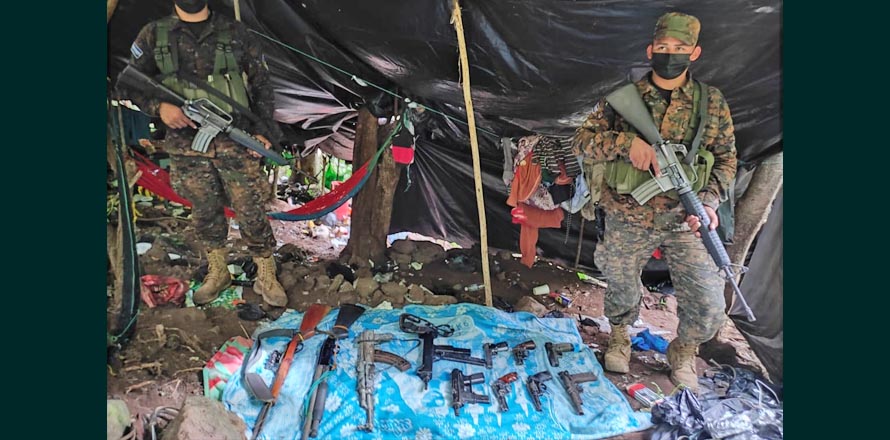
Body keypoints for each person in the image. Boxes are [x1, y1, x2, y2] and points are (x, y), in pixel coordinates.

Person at [573, 12, 737, 392]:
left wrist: (709, 202)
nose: (670, 54)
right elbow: (582, 141)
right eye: (663, 47)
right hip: (628, 212)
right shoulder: (623, 99)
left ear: (694, 53)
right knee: (619, 283)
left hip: (685, 218)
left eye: (679, 48)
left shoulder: (710, 103)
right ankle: (619, 337)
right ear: (650, 50)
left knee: (709, 301)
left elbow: (727, 159)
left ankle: (683, 350)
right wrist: (625, 143)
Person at [122, 0, 288, 307]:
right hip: (187, 147)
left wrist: (264, 132)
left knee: (251, 209)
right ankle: (218, 270)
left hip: (236, 141)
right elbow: (128, 84)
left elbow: (263, 84)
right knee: (205, 212)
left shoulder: (236, 32)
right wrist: (159, 108)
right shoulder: (155, 35)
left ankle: (265, 270)